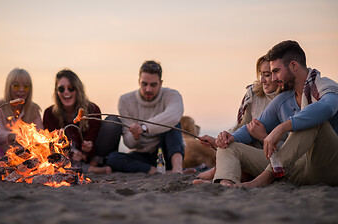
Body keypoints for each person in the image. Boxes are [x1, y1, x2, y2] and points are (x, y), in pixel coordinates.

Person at [213, 40, 338, 187]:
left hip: (328, 168)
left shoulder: (325, 86)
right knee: (229, 147)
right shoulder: (283, 100)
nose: (273, 79)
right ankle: (226, 185)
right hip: (294, 168)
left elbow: (327, 108)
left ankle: (263, 179)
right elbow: (255, 126)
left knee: (312, 121)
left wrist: (283, 127)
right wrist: (230, 137)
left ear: (293, 66)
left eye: (276, 71)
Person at [194, 55, 281, 183]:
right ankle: (223, 181)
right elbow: (242, 127)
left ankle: (218, 177)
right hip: (251, 153)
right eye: (260, 74)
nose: (262, 80)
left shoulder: (288, 100)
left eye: (267, 75)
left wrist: (263, 136)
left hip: (275, 156)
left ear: (278, 75)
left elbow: (291, 147)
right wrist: (221, 139)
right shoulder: (254, 94)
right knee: (229, 147)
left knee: (236, 153)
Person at [107, 60, 185, 174]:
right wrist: (135, 136)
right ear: (139, 81)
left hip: (167, 152)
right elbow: (129, 143)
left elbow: (173, 116)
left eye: (153, 85)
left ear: (161, 83)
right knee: (113, 159)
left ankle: (177, 170)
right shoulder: (125, 100)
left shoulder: (172, 95)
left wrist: (144, 127)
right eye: (144, 84)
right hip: (142, 156)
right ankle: (157, 172)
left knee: (174, 125)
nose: (148, 89)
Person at [43, 69, 121, 174]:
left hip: (93, 157)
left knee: (113, 122)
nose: (66, 92)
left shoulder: (92, 110)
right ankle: (92, 170)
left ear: (78, 90)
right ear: (57, 92)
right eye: (61, 89)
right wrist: (71, 153)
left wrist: (88, 148)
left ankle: (92, 165)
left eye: (71, 88)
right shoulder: (49, 113)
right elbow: (51, 144)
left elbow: (95, 141)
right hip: (66, 158)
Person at [0, 68, 43, 161]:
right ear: (8, 87)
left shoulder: (34, 110)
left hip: (24, 157)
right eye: (16, 86)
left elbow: (40, 135)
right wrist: (16, 136)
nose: (22, 90)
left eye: (26, 86)